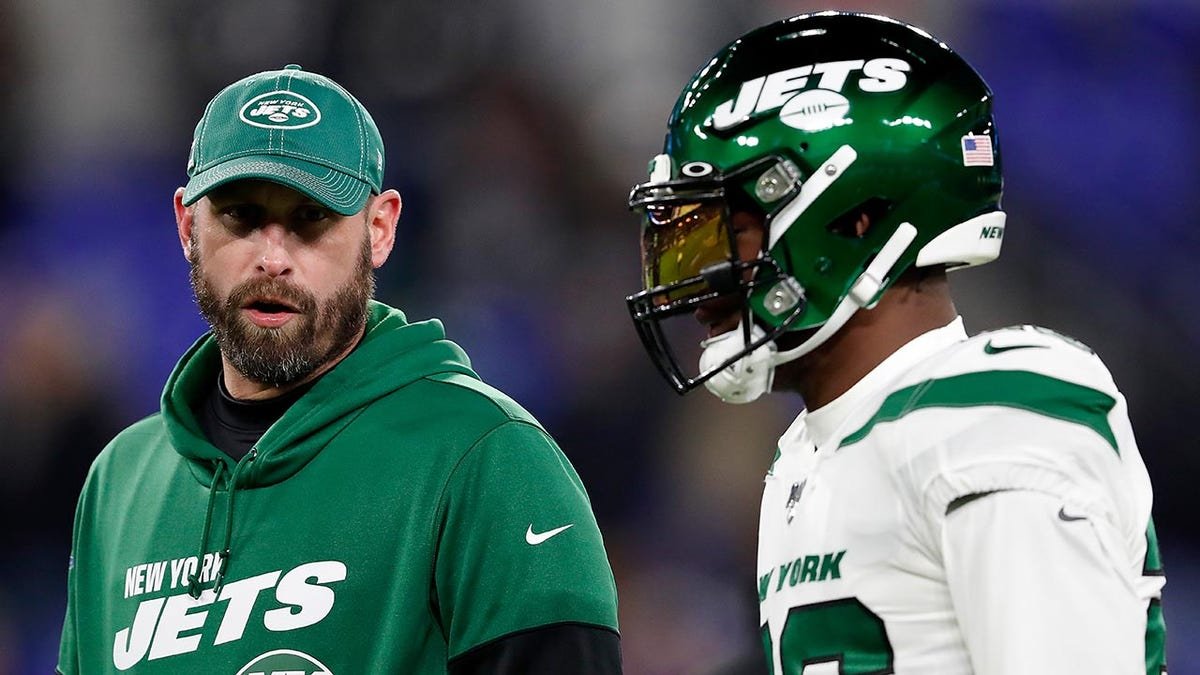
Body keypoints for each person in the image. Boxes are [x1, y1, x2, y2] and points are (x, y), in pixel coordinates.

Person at [623, 12, 1165, 674]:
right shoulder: (810, 455)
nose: (698, 284)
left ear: (855, 218)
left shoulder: (991, 413)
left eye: (722, 235)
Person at [57, 65, 621, 674]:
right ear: (188, 226)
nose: (272, 258)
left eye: (310, 219)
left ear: (379, 230)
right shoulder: (120, 483)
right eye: (241, 217)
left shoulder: (486, 458)